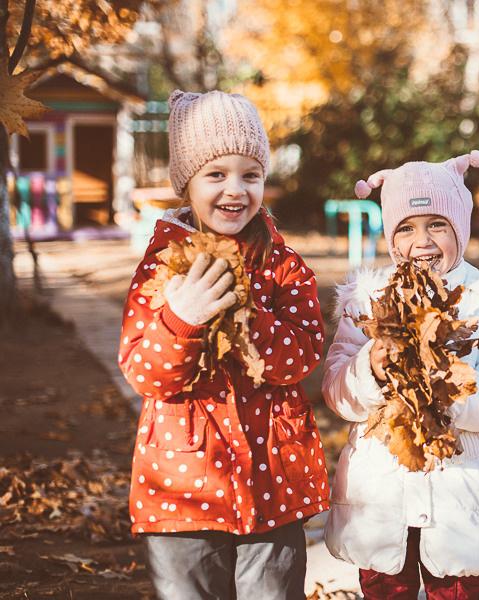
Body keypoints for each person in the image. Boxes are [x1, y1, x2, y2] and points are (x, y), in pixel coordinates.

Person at [119, 90, 329, 600]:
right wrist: (181, 320)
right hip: (184, 479)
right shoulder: (161, 266)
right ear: (185, 183)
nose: (235, 189)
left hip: (274, 474)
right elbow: (145, 372)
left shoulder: (282, 264)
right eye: (216, 174)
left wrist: (249, 316)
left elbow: (301, 356)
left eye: (250, 175)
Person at [322, 151, 479, 600]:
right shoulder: (367, 299)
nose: (423, 241)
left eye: (438, 225)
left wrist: (450, 387)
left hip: (458, 491)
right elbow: (337, 390)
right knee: (385, 587)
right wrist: (368, 371)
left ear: (460, 230)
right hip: (380, 492)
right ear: (391, 236)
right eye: (407, 228)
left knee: (453, 587)